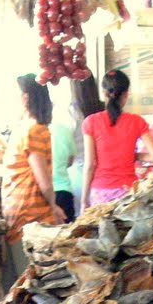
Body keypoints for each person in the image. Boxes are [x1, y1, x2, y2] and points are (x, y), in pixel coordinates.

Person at [1, 74, 65, 293]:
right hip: (27, 214)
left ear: (26, 98)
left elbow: (43, 180)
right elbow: (41, 179)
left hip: (27, 215)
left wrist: (52, 206)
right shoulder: (31, 130)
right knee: (30, 284)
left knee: (28, 284)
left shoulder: (30, 130)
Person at [81, 70, 153, 208]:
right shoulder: (137, 121)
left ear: (104, 93)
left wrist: (83, 200)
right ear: (126, 94)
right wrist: (133, 155)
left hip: (100, 194)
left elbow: (89, 165)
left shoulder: (91, 122)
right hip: (128, 193)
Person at [53, 74, 104, 217]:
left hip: (78, 174)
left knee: (81, 224)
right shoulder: (102, 109)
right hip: (101, 173)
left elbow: (66, 151)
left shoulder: (70, 113)